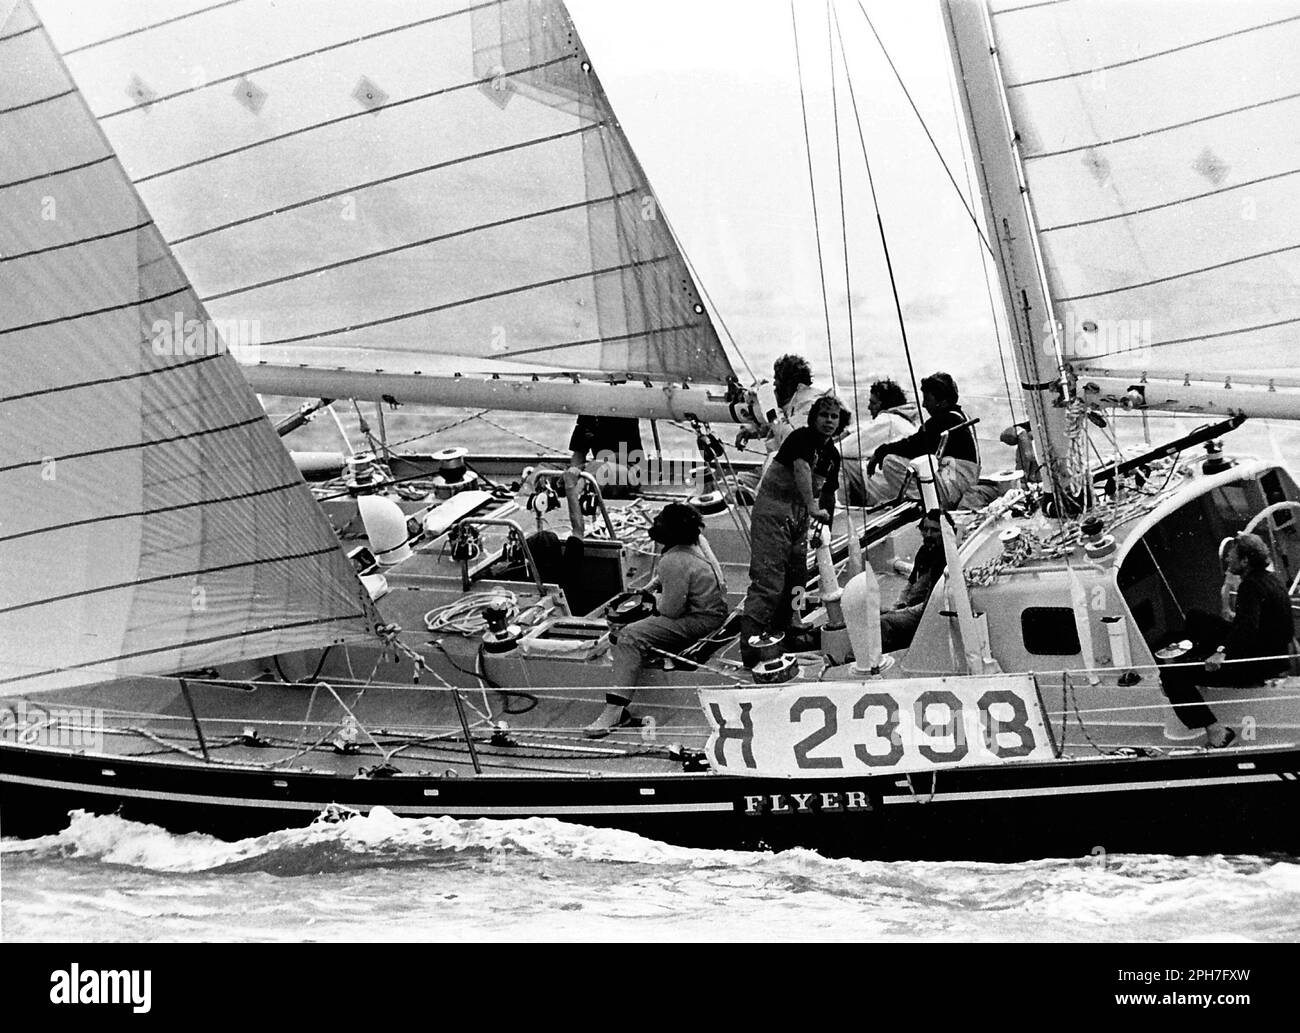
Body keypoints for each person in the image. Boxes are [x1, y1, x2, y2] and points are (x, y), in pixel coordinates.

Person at [585, 503, 729, 736]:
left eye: (660, 520)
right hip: (716, 611)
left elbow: (671, 610)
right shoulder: (698, 542)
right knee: (638, 627)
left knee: (629, 636)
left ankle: (614, 711)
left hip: (700, 620)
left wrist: (647, 607)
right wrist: (651, 588)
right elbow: (679, 581)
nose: (656, 521)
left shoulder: (673, 561)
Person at [1160, 532, 1294, 748]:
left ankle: (1218, 732)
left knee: (1172, 674)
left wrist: (1221, 652)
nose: (1227, 559)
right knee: (1196, 617)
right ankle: (1197, 657)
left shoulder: (1250, 587)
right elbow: (1259, 625)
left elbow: (1247, 628)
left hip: (1255, 665)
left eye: (1232, 555)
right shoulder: (1271, 580)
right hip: (1270, 654)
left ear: (1245, 561)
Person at [738, 395, 847, 662]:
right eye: (824, 416)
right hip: (774, 511)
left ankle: (791, 625)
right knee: (769, 581)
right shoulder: (801, 439)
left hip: (799, 517)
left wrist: (825, 530)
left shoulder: (832, 454)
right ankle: (751, 647)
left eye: (834, 417)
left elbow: (830, 494)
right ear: (813, 418)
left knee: (798, 577)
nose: (829, 421)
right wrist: (812, 506)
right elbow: (801, 469)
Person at [861, 372, 979, 510]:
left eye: (927, 399)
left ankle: (923, 503)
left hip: (954, 487)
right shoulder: (960, 416)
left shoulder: (944, 420)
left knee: (891, 461)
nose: (923, 405)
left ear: (943, 402)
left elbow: (913, 446)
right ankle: (924, 499)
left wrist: (881, 451)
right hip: (962, 483)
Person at [839, 378, 917, 505]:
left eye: (873, 403)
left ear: (884, 404)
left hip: (887, 489)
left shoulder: (888, 420)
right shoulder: (902, 422)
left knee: (841, 461)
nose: (869, 407)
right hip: (902, 483)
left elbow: (845, 448)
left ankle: (840, 509)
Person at [564, 414, 644, 535]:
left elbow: (626, 455)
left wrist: (588, 469)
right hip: (597, 466)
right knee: (547, 469)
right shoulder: (587, 415)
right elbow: (579, 453)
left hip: (628, 469)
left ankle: (577, 509)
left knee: (599, 469)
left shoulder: (625, 414)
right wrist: (574, 470)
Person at [880, 513, 946, 653]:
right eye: (925, 529)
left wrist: (901, 611)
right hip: (911, 606)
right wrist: (898, 604)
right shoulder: (924, 551)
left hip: (926, 613)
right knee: (875, 613)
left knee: (882, 622)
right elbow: (911, 583)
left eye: (934, 530)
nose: (928, 534)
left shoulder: (944, 558)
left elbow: (931, 603)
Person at [958, 421, 1040, 509]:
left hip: (1037, 488)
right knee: (974, 494)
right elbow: (1005, 436)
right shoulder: (1032, 426)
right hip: (1016, 484)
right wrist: (1021, 433)